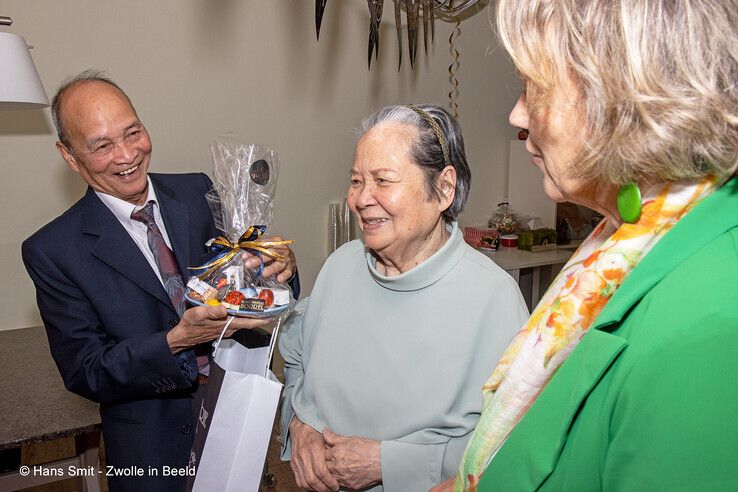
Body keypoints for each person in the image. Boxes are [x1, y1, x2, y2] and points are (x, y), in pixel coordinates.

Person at [433, 1, 738, 490]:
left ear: (623, 93)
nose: (517, 114)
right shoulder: (623, 234)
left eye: (534, 86)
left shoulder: (710, 326)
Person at [21, 71, 298, 491]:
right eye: (102, 145)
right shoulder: (53, 250)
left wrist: (279, 268)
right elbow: (86, 371)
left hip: (238, 414)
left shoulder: (197, 192)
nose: (127, 154)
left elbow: (246, 279)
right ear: (69, 155)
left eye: (133, 132)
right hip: (149, 450)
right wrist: (177, 341)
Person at [279, 104, 529, 491]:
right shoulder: (340, 266)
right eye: (357, 181)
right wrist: (300, 425)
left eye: (383, 180)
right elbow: (296, 360)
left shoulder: (494, 300)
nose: (362, 199)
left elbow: (512, 448)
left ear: (444, 188)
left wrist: (387, 463)